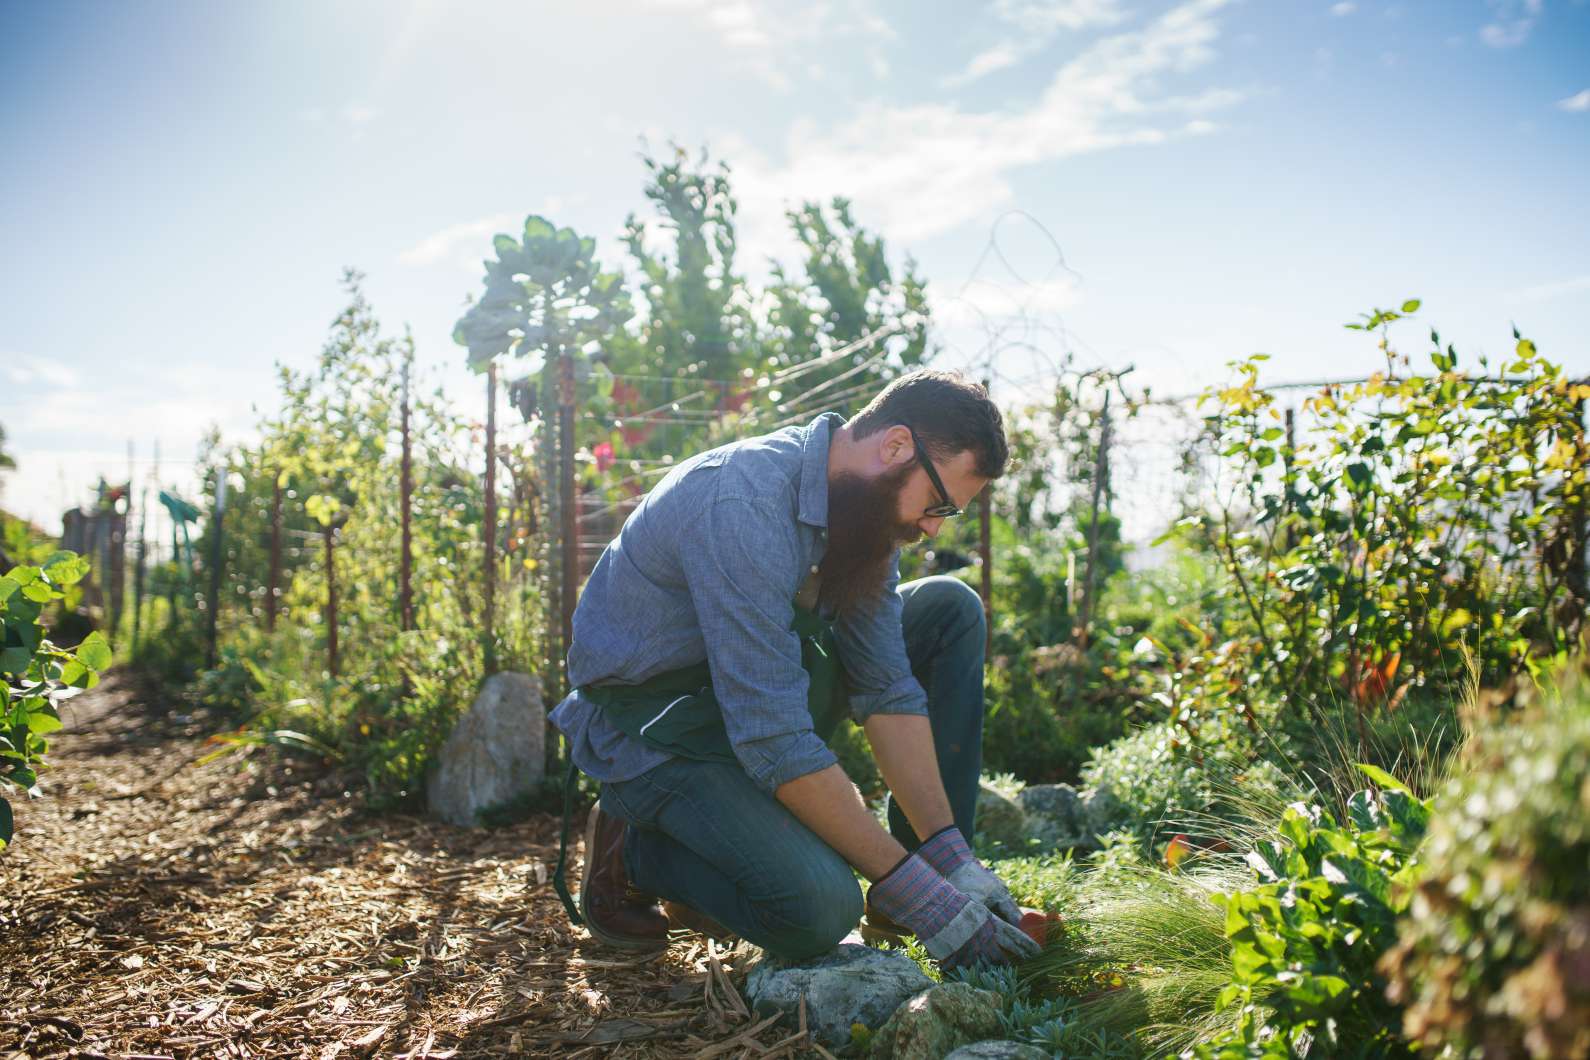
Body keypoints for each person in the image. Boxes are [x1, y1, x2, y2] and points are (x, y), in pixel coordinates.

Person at [548, 368, 1038, 973]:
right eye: (939, 504)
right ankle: (638, 849)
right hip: (657, 725)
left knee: (948, 610)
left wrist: (949, 857)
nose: (935, 527)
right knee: (819, 912)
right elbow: (772, 734)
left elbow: (884, 681)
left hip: (752, 694)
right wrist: (917, 894)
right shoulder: (743, 502)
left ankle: (925, 882)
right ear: (895, 448)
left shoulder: (867, 513)